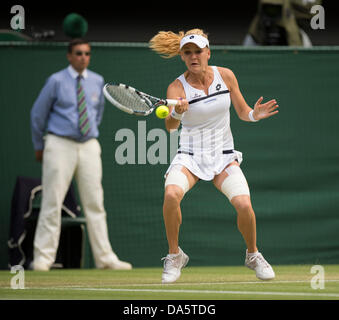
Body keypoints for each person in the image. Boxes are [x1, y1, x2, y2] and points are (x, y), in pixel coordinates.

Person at [149, 29, 279, 283]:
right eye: (188, 53)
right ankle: (175, 255)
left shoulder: (226, 75)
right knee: (171, 194)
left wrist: (255, 115)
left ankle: (253, 255)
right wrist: (177, 112)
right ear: (182, 57)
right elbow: (171, 127)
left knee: (244, 205)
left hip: (223, 156)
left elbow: (243, 112)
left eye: (198, 51)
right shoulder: (177, 87)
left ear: (208, 52)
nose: (193, 57)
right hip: (189, 156)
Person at [30, 38, 132, 271]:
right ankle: (43, 259)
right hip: (59, 143)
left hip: (88, 145)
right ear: (69, 56)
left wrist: (88, 133)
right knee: (52, 202)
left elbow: (97, 114)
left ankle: (105, 258)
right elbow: (38, 114)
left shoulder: (97, 81)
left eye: (87, 54)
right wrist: (39, 145)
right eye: (78, 53)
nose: (83, 57)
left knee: (95, 202)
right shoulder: (55, 81)